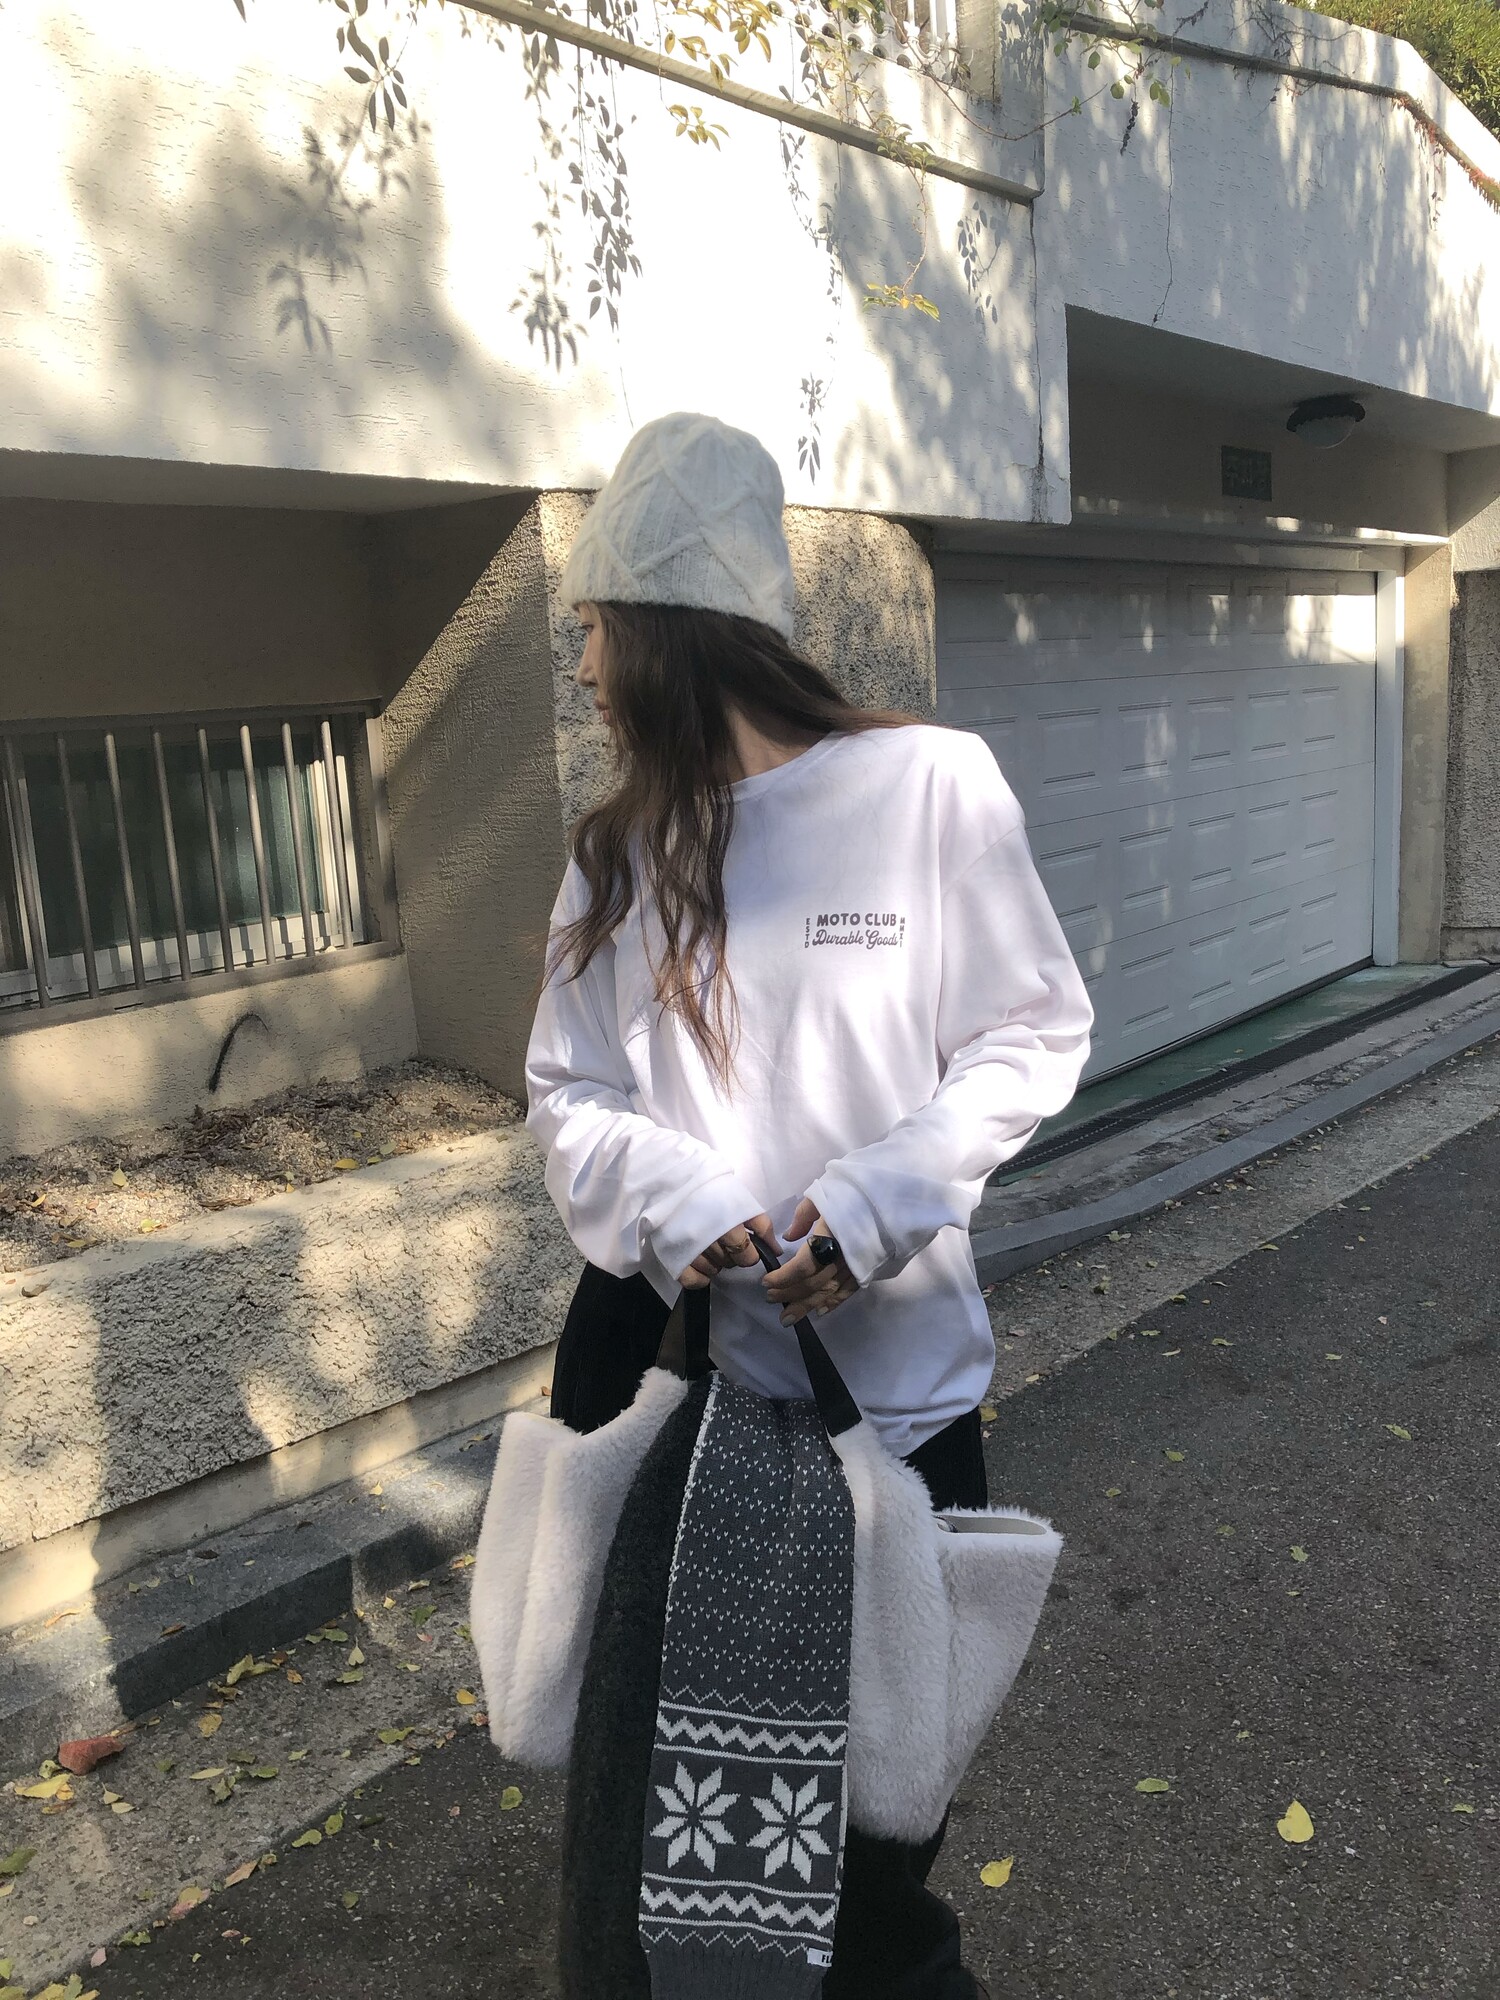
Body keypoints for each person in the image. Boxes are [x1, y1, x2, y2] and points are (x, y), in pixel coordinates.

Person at [526, 411, 1093, 2000]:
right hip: (693, 1425)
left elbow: (1029, 1034)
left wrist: (865, 1209)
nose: (583, 668)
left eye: (592, 628)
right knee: (681, 1847)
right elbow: (567, 1094)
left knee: (871, 1855)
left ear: (663, 625)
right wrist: (680, 1201)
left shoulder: (929, 789)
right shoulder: (619, 857)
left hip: (896, 1424)